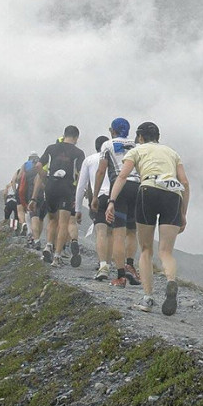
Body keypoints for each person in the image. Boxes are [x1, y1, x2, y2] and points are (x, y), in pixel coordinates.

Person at [105, 121, 189, 315]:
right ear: (158, 136)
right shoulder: (172, 153)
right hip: (173, 193)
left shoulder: (137, 150)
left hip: (148, 189)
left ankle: (148, 298)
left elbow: (123, 176)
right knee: (166, 251)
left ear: (140, 137)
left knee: (146, 249)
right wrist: (183, 213)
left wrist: (111, 201)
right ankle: (170, 281)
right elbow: (184, 182)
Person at [97, 117, 142, 287]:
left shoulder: (107, 145)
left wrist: (95, 195)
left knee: (118, 233)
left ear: (113, 130)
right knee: (132, 231)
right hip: (137, 186)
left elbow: (101, 171)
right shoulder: (136, 144)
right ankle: (130, 265)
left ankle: (120, 275)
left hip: (120, 186)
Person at [34, 126, 85, 267]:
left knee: (52, 220)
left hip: (51, 186)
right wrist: (78, 191)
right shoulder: (78, 153)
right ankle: (57, 257)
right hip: (66, 187)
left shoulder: (51, 148)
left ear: (64, 135)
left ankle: (48, 246)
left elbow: (38, 166)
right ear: (76, 138)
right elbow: (80, 174)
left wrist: (46, 180)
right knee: (63, 223)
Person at [77, 134, 114, 280]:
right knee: (110, 233)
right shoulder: (115, 158)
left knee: (100, 232)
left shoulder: (89, 160)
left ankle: (103, 264)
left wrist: (78, 209)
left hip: (99, 198)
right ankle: (109, 265)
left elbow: (81, 186)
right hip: (114, 197)